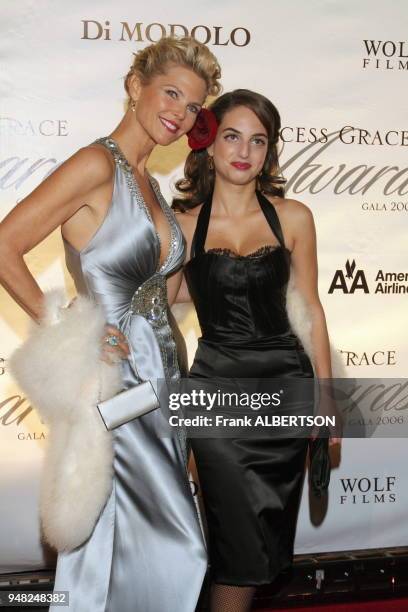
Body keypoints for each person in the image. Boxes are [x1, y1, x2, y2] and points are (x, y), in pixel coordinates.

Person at [0, 37, 221, 612]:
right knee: (175, 546)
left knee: (128, 543)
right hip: (117, 383)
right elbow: (4, 245)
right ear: (134, 87)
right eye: (171, 92)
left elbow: (162, 294)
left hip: (162, 383)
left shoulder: (150, 183)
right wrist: (67, 322)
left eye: (194, 106)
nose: (180, 112)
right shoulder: (97, 164)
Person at [173, 89, 339, 612]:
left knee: (254, 551)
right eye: (232, 136)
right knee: (236, 547)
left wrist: (326, 400)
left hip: (285, 392)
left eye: (258, 140)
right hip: (216, 398)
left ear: (269, 151)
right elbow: (160, 304)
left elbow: (310, 309)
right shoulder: (180, 226)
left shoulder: (293, 217)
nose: (244, 151)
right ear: (208, 145)